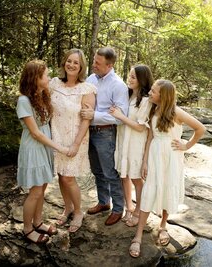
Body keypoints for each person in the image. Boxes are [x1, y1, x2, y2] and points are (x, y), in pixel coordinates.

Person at [129, 79, 206, 257]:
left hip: (172, 156)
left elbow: (200, 129)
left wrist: (186, 146)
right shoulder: (152, 108)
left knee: (167, 189)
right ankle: (138, 235)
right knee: (149, 191)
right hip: (156, 155)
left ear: (163, 96)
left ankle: (163, 225)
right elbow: (149, 138)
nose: (150, 93)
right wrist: (145, 161)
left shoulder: (177, 112)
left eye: (154, 92)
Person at [16, 59, 69, 243]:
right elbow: (36, 133)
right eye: (46, 74)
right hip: (34, 147)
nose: (49, 77)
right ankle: (28, 229)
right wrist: (60, 147)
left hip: (45, 145)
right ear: (35, 78)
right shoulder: (24, 100)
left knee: (43, 187)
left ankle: (38, 221)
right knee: (36, 191)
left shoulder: (42, 95)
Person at [81, 47, 129, 226]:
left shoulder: (118, 85)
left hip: (106, 133)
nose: (93, 65)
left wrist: (94, 115)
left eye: (98, 63)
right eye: (94, 61)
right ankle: (103, 202)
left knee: (110, 172)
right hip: (89, 132)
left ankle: (118, 209)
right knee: (97, 171)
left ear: (109, 65)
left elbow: (121, 116)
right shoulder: (91, 78)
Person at [50, 48, 96, 233]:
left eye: (76, 62)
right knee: (61, 175)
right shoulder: (54, 83)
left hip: (76, 138)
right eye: (69, 61)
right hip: (56, 136)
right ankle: (67, 207)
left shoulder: (87, 89)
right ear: (64, 62)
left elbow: (87, 118)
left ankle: (78, 212)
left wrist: (76, 143)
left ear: (81, 67)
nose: (71, 65)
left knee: (69, 177)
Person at [109, 64, 154, 227]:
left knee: (136, 178)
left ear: (142, 80)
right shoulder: (126, 96)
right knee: (124, 175)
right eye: (129, 75)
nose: (129, 79)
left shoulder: (146, 101)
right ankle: (129, 206)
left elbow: (140, 126)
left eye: (133, 77)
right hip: (122, 140)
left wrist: (120, 116)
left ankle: (138, 211)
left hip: (136, 143)